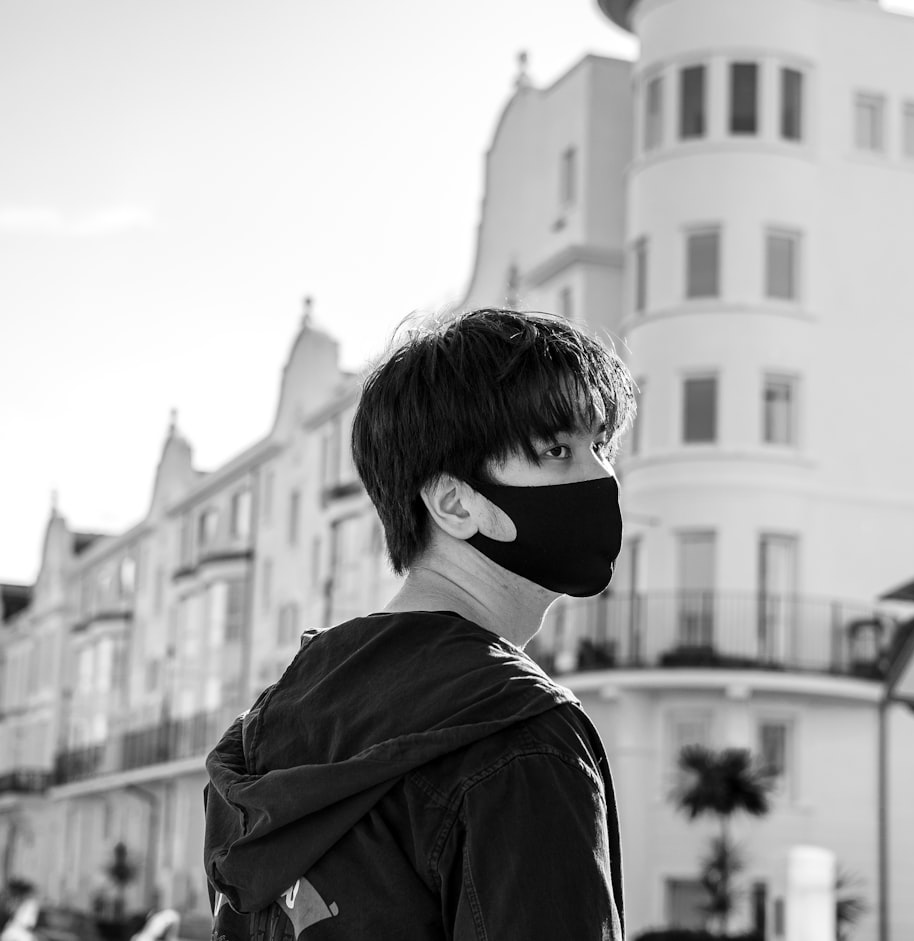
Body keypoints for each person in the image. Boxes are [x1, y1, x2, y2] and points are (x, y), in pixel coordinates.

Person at [204, 307, 636, 940]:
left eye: (599, 446)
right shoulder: (520, 737)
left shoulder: (274, 726)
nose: (602, 475)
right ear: (455, 503)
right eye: (558, 450)